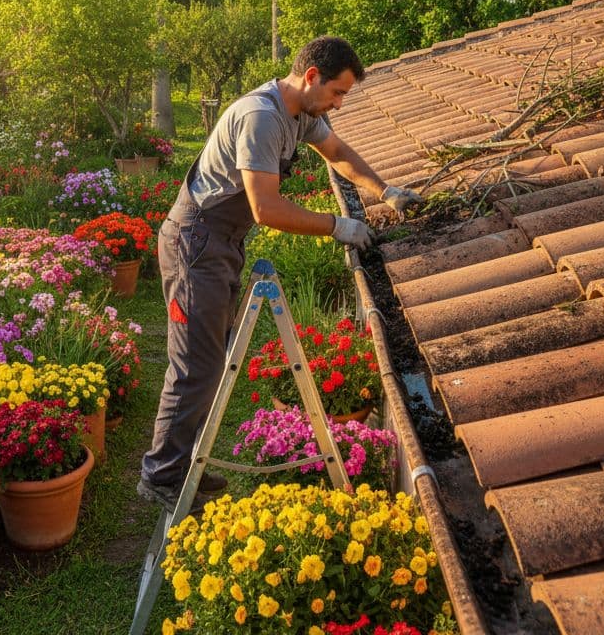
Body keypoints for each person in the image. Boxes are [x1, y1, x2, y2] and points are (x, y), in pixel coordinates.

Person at [137, 36, 422, 513]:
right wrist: (338, 226)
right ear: (311, 77)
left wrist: (384, 190)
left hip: (220, 242)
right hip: (195, 243)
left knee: (211, 359)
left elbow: (337, 151)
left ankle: (183, 465)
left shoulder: (301, 114)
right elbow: (265, 208)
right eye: (337, 93)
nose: (338, 104)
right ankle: (161, 475)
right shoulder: (262, 117)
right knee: (194, 365)